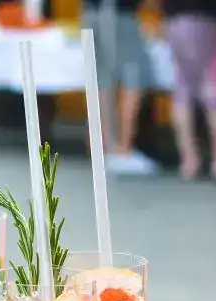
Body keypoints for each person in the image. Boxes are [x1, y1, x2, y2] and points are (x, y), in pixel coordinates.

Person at [162, 0, 216, 180]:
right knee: (215, 85)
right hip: (208, 15)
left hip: (174, 18)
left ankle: (189, 160)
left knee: (182, 87)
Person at [83, 0, 161, 176]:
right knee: (133, 75)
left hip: (91, 11)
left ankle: (103, 146)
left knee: (101, 79)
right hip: (118, 12)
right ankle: (123, 149)